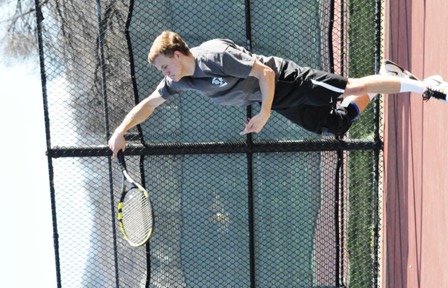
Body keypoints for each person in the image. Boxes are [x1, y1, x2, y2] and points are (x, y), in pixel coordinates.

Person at [108, 31, 448, 158]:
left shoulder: (214, 55)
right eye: (161, 71)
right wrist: (122, 130)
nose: (163, 74)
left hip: (285, 81)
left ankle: (426, 86)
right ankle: (390, 75)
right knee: (333, 126)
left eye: (164, 66)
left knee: (352, 87)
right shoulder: (180, 81)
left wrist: (266, 112)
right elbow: (149, 103)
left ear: (178, 55)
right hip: (272, 99)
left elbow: (265, 72)